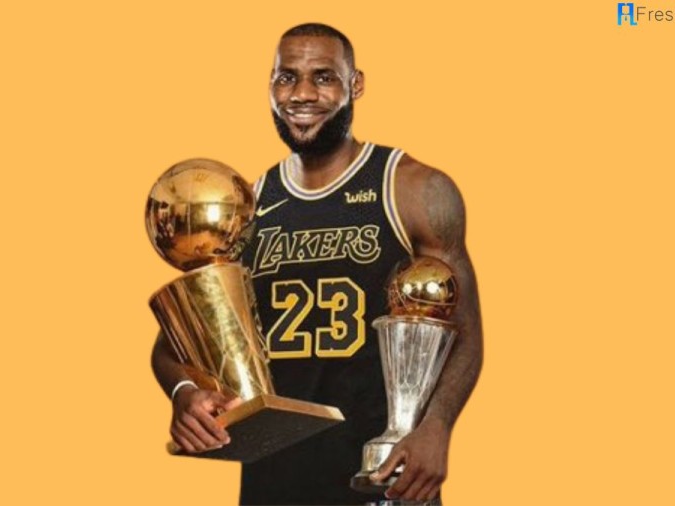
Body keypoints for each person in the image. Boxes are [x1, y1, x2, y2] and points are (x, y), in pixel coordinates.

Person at [151, 23, 483, 506]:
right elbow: (171, 347)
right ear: (270, 86)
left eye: (323, 77)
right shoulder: (247, 207)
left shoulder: (410, 188)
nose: (302, 94)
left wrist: (437, 428)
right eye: (286, 78)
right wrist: (184, 392)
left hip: (386, 477)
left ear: (356, 84)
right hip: (272, 481)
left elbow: (465, 331)